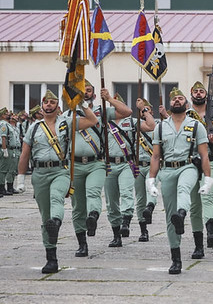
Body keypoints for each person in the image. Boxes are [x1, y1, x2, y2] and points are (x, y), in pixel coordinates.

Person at [15, 90, 98, 273]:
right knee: (45, 219)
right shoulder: (34, 127)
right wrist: (20, 178)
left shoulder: (66, 122)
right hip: (39, 173)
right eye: (46, 103)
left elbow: (93, 121)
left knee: (56, 198)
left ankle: (57, 222)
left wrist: (81, 104)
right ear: (42, 107)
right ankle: (51, 258)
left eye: (52, 102)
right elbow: (25, 153)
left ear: (58, 107)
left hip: (61, 170)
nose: (48, 105)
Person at [147, 87, 213, 274]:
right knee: (170, 217)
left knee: (184, 190)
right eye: (173, 99)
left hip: (188, 166)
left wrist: (208, 178)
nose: (176, 101)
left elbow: (204, 154)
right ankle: (175, 259)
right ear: (169, 104)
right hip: (167, 169)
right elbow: (155, 156)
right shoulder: (160, 127)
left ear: (186, 103)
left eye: (180, 98)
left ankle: (182, 214)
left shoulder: (196, 126)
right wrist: (151, 180)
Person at [67, 87, 131, 252]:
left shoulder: (100, 111)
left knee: (93, 192)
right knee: (77, 206)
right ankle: (82, 244)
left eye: (88, 90)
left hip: (96, 162)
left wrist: (109, 98)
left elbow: (126, 112)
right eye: (81, 90)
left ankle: (93, 216)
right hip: (75, 164)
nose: (84, 93)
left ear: (94, 95)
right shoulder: (67, 115)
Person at [105, 94, 154, 245]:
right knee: (111, 202)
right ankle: (116, 233)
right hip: (108, 165)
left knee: (126, 192)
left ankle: (126, 221)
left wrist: (144, 110)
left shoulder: (132, 122)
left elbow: (151, 126)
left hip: (127, 163)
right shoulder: (104, 122)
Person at [187, 81, 213, 250]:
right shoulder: (185, 116)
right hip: (190, 164)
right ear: (191, 93)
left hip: (210, 161)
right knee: (195, 205)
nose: (199, 94)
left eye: (202, 91)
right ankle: (198, 242)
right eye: (196, 91)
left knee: (210, 197)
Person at [130, 99, 158, 243]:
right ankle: (143, 230)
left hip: (152, 164)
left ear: (151, 112)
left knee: (151, 188)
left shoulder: (157, 125)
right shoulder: (135, 127)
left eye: (146, 110)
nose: (143, 112)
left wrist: (145, 110)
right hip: (138, 165)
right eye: (141, 110)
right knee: (140, 198)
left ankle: (150, 207)